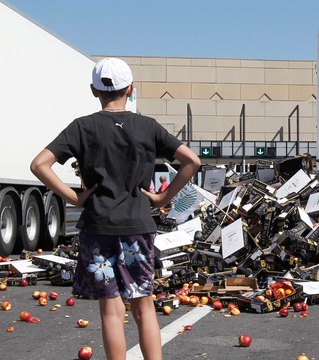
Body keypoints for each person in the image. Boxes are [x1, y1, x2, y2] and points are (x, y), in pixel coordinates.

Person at [30, 58, 201, 360]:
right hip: (138, 224)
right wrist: (163, 198)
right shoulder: (147, 126)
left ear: (94, 90)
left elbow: (39, 165)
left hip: (98, 226)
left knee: (111, 309)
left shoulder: (82, 127)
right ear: (131, 89)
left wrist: (74, 197)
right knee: (144, 305)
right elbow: (192, 161)